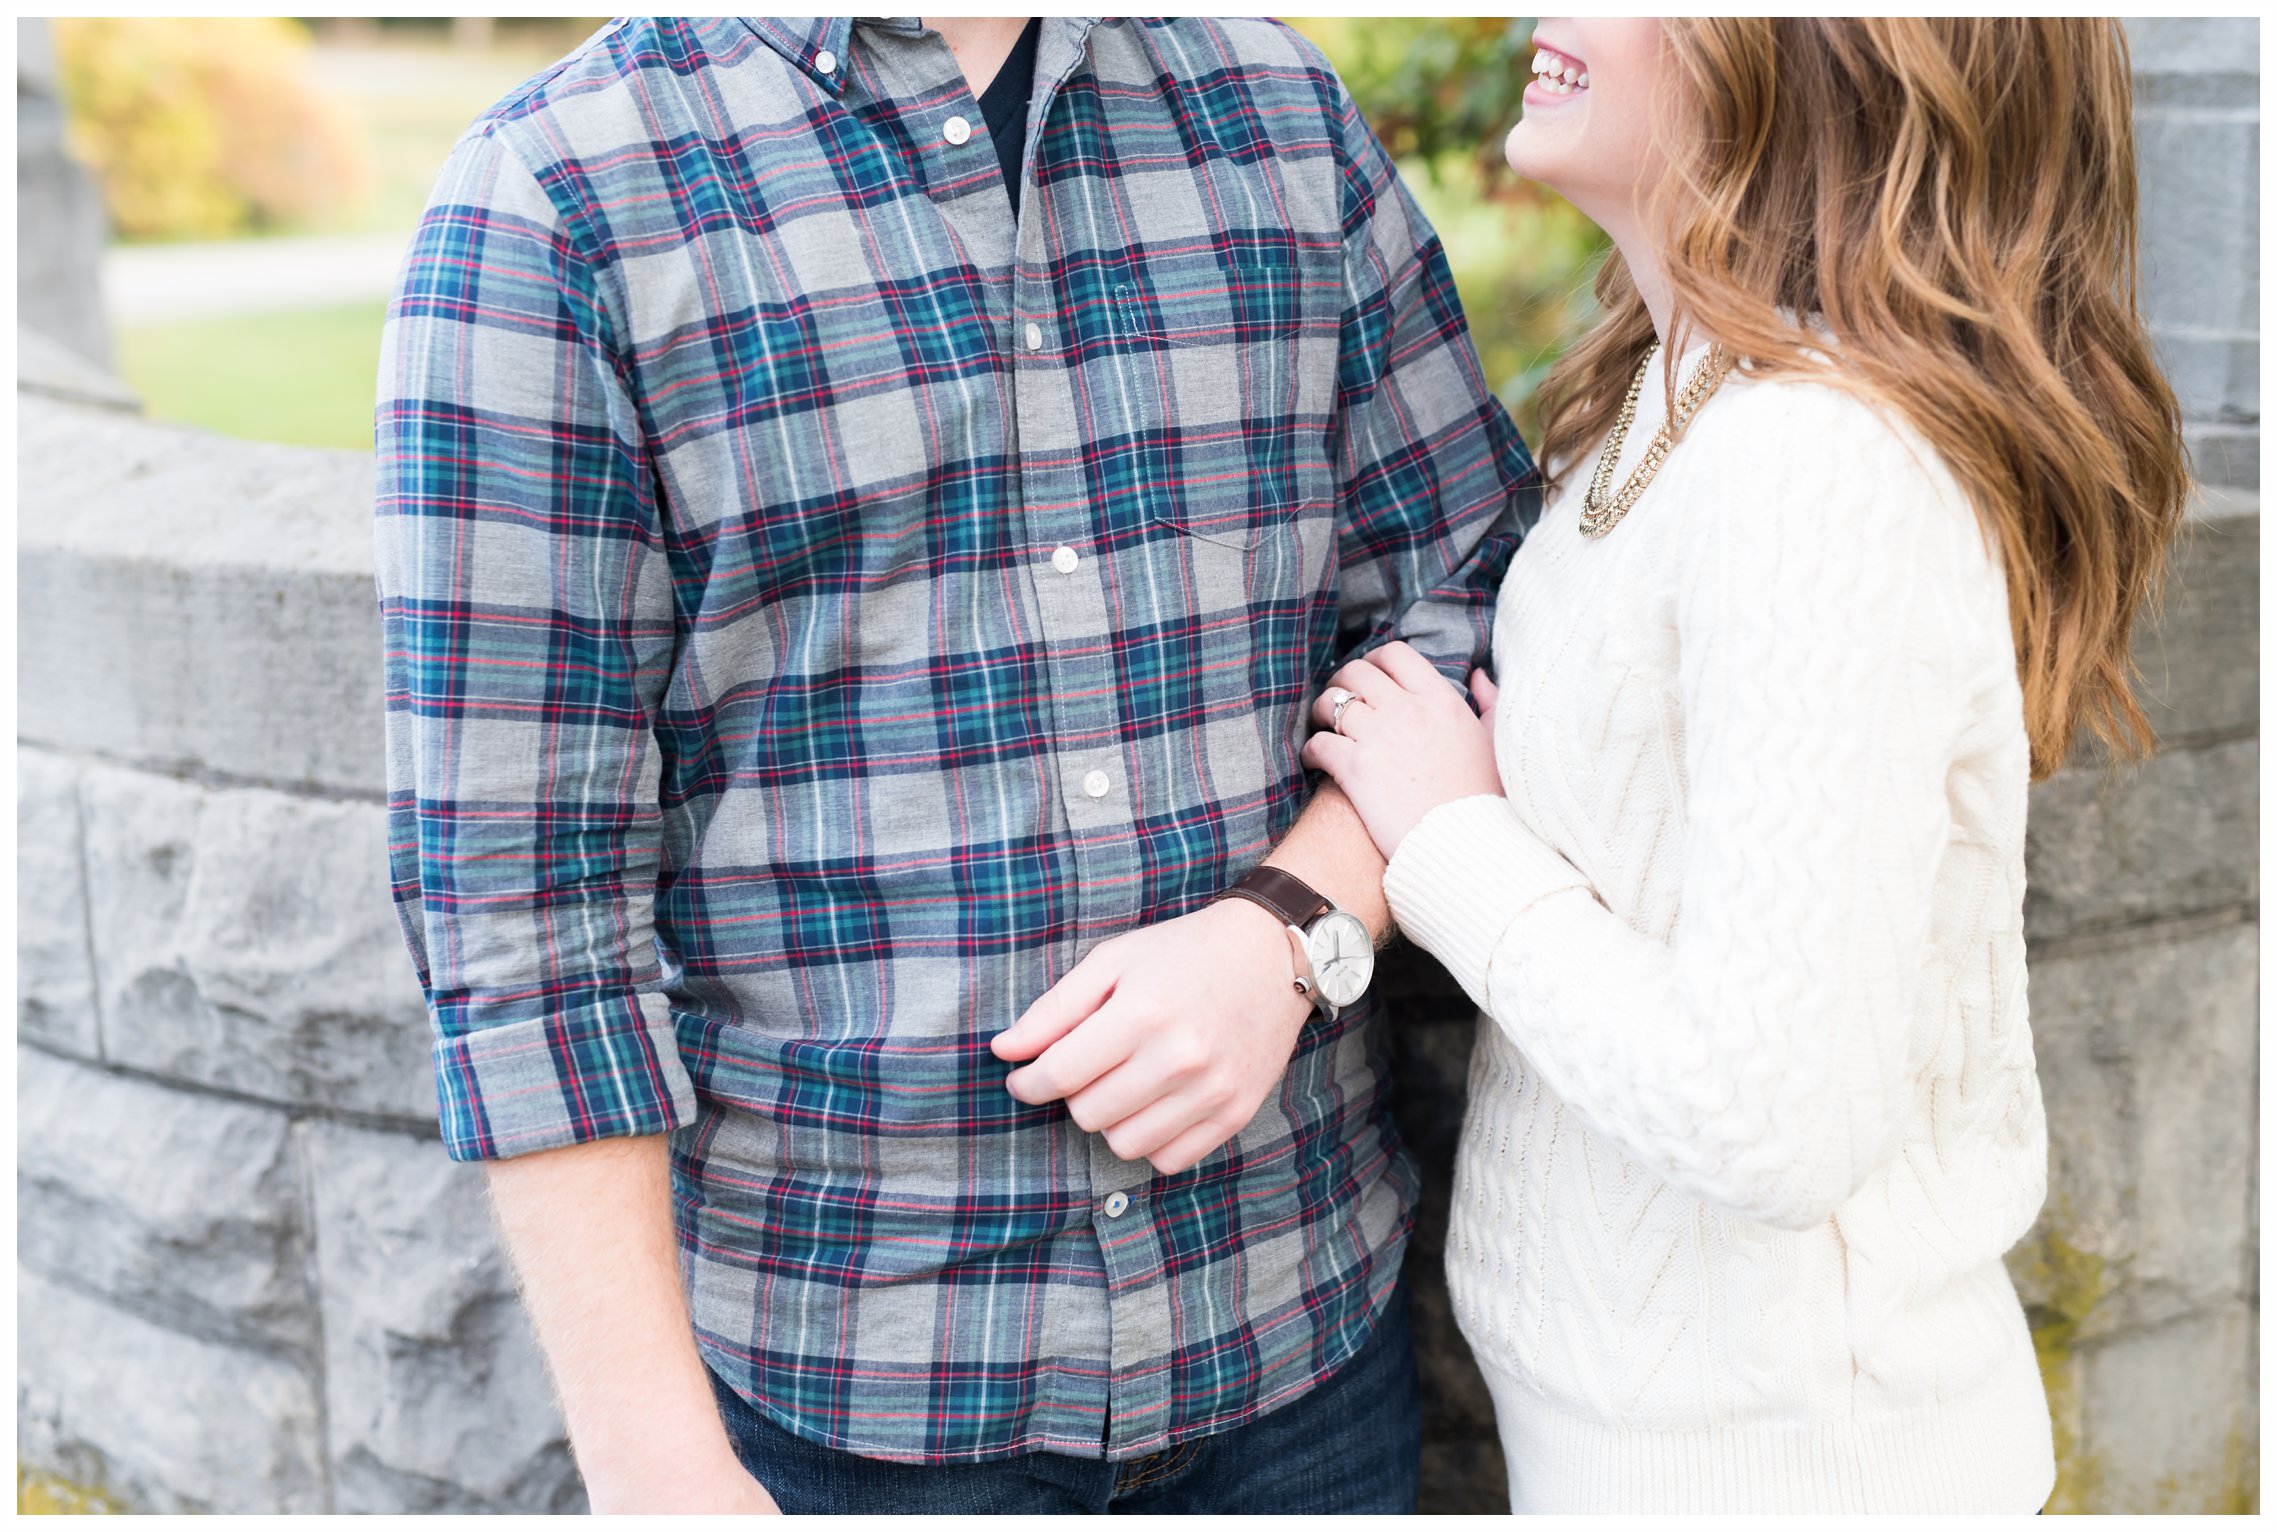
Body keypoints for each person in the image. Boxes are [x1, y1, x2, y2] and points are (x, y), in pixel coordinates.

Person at [372, 15, 1536, 1515]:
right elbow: (520, 905)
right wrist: (661, 1472)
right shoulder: (558, 197)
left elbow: (1475, 591)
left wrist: (1291, 930)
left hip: (1297, 1350)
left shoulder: (1276, 116)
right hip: (846, 1419)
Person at [1302, 16, 2188, 1515]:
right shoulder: (1661, 400)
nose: (1544, 14)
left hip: (1797, 1465)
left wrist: (1451, 839)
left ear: (1819, 55)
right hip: (1636, 1439)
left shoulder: (1817, 467)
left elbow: (1769, 1114)